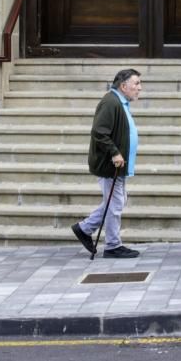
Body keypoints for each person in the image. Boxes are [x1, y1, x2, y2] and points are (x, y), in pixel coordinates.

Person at [72, 68, 142, 259]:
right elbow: (99, 132)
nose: (139, 88)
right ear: (123, 85)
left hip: (118, 165)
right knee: (116, 203)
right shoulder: (110, 102)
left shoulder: (120, 102)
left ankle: (84, 229)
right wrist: (114, 153)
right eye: (136, 83)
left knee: (116, 202)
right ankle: (112, 245)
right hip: (110, 165)